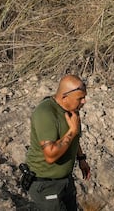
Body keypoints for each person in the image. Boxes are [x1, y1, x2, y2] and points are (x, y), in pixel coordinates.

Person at [25, 74, 91, 210]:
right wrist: (72, 130)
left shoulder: (72, 110)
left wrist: (81, 158)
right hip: (46, 184)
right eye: (80, 98)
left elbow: (73, 138)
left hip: (65, 181)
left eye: (84, 97)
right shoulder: (46, 113)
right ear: (64, 97)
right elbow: (50, 156)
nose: (84, 101)